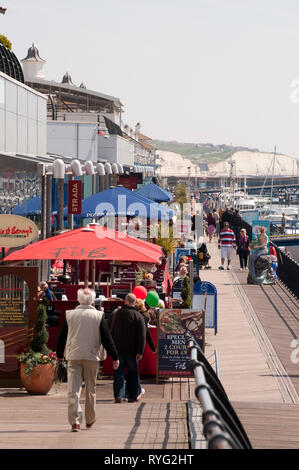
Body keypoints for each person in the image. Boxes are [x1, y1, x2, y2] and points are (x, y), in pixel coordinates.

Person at [56, 288, 119, 432]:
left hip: (73, 355)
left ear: (78, 299)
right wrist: (115, 356)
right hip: (92, 356)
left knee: (73, 389)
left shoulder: (70, 315)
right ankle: (90, 419)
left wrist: (59, 354)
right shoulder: (98, 316)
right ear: (92, 300)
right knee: (91, 389)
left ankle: (75, 421)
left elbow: (62, 336)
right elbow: (106, 338)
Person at [109, 293, 146, 404]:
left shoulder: (117, 314)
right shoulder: (138, 316)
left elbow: (112, 330)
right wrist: (140, 351)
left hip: (118, 348)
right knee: (133, 372)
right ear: (134, 303)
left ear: (125, 301)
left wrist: (112, 348)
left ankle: (119, 395)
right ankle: (132, 395)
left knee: (119, 373)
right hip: (132, 350)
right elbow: (142, 336)